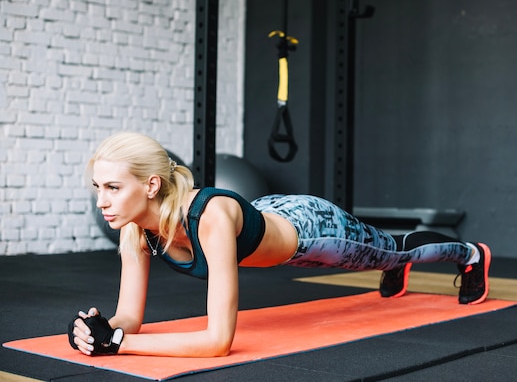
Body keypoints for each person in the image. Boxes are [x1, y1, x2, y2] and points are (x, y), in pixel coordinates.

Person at [69, 132, 491, 358]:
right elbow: (129, 316)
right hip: (267, 213)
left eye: (112, 187)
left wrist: (119, 343)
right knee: (387, 255)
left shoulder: (208, 219)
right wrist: (101, 329)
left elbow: (218, 341)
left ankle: (470, 254)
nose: (101, 200)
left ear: (151, 185)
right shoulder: (134, 229)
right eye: (97, 187)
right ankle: (392, 265)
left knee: (395, 249)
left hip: (313, 230)